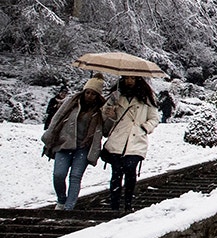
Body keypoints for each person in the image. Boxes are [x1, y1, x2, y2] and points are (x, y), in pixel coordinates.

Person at [41, 77, 107, 210]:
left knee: (75, 177)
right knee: (58, 175)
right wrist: (49, 137)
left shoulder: (100, 110)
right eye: (88, 92)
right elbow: (57, 119)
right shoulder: (71, 103)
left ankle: (69, 208)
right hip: (64, 144)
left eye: (93, 94)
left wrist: (109, 115)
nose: (89, 96)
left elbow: (106, 130)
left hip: (83, 147)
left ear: (97, 96)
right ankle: (61, 199)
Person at [100, 76, 160, 211]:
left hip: (135, 140)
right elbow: (106, 114)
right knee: (116, 173)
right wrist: (109, 112)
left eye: (132, 78)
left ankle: (128, 202)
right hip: (118, 139)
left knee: (130, 171)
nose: (129, 81)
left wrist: (145, 127)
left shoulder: (146, 98)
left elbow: (154, 118)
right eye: (127, 78)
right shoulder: (116, 96)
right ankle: (114, 205)